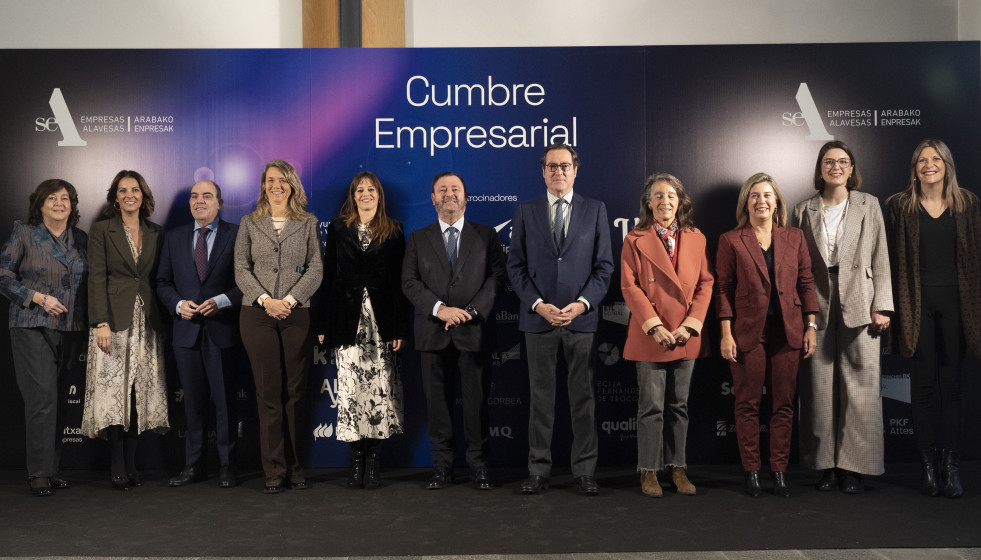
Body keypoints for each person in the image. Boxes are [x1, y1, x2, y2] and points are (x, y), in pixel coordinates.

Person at [506, 143, 614, 495]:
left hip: (580, 320)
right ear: (543, 172)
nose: (558, 172)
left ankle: (584, 472)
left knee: (583, 399)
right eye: (552, 166)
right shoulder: (526, 211)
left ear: (575, 171)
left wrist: (582, 305)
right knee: (540, 400)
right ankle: (538, 471)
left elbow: (604, 267)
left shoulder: (595, 210)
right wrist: (538, 305)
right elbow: (515, 266)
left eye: (564, 166)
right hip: (539, 320)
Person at [791, 141, 893, 494]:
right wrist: (799, 311)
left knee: (861, 387)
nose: (836, 166)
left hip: (862, 300)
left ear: (851, 169)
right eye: (829, 161)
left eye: (843, 161)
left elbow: (880, 256)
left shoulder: (869, 204)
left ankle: (855, 469)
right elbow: (794, 265)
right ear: (820, 169)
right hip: (815, 301)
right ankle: (825, 467)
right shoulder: (802, 210)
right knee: (817, 386)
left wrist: (882, 304)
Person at [886, 139, 981, 499]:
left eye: (936, 159)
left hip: (958, 304)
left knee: (953, 387)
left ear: (947, 165)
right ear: (914, 168)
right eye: (922, 160)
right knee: (922, 387)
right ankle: (928, 467)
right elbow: (889, 261)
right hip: (915, 303)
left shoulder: (967, 203)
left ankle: (951, 468)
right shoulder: (899, 206)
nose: (929, 164)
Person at [715, 172, 817, 498]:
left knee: (783, 405)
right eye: (755, 195)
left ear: (777, 202)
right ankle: (752, 472)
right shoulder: (731, 240)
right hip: (748, 333)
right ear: (746, 203)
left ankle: (780, 471)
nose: (761, 201)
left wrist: (811, 326)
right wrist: (726, 333)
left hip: (788, 333)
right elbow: (724, 289)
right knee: (747, 404)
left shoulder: (795, 237)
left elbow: (806, 282)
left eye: (767, 195)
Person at [402, 172, 506, 491]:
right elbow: (409, 282)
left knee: (476, 405)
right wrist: (440, 309)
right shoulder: (417, 239)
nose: (449, 193)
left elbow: (496, 278)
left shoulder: (486, 235)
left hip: (473, 333)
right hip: (432, 333)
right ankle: (442, 467)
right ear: (433, 198)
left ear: (465, 196)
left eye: (455, 189)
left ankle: (479, 467)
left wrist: (470, 312)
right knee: (437, 407)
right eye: (442, 189)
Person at [620, 173, 713, 498]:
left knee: (679, 406)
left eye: (671, 195)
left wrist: (690, 324)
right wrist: (654, 326)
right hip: (651, 335)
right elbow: (629, 286)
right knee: (651, 408)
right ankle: (648, 470)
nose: (665, 201)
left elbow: (706, 284)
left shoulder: (696, 238)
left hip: (685, 334)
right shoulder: (634, 239)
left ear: (680, 201)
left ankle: (678, 468)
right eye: (658, 196)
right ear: (649, 203)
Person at [234, 160, 322, 494]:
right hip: (256, 314)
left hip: (296, 313)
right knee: (268, 392)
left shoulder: (308, 222)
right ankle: (274, 469)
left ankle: (296, 467)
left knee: (295, 393)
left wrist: (290, 300)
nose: (276, 186)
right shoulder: (249, 222)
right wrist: (265, 300)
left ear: (292, 185)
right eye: (271, 180)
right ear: (263, 185)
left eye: (283, 180)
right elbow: (241, 268)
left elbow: (316, 268)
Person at [81, 170, 169, 491]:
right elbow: (96, 277)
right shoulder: (102, 230)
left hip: (148, 324)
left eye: (135, 190)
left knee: (137, 394)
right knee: (113, 394)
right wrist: (100, 322)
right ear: (115, 198)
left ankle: (131, 465)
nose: (129, 195)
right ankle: (117, 466)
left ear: (143, 196)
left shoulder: (156, 232)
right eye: (123, 190)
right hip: (113, 323)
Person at [318, 172, 406, 490]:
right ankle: (356, 460)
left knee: (379, 391)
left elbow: (399, 282)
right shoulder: (338, 227)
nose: (365, 194)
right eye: (359, 190)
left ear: (379, 195)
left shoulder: (394, 229)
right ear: (353, 196)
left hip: (382, 323)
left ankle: (374, 461)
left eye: (371, 189)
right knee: (351, 392)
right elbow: (329, 276)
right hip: (346, 319)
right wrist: (322, 324)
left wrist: (399, 327)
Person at [0, 179, 87, 497]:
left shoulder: (81, 238)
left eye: (65, 198)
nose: (59, 203)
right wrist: (37, 297)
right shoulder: (24, 232)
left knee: (60, 402)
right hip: (31, 325)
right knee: (42, 399)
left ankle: (52, 470)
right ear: (40, 204)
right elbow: (3, 276)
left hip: (72, 329)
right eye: (52, 198)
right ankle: (38, 473)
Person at [157, 180, 243, 488]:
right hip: (186, 333)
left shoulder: (237, 234)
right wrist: (178, 304)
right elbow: (162, 282)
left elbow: (247, 283)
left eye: (207, 196)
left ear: (219, 203)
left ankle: (227, 466)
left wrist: (222, 301)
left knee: (225, 403)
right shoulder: (174, 237)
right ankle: (193, 466)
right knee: (192, 404)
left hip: (223, 331)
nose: (200, 201)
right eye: (194, 196)